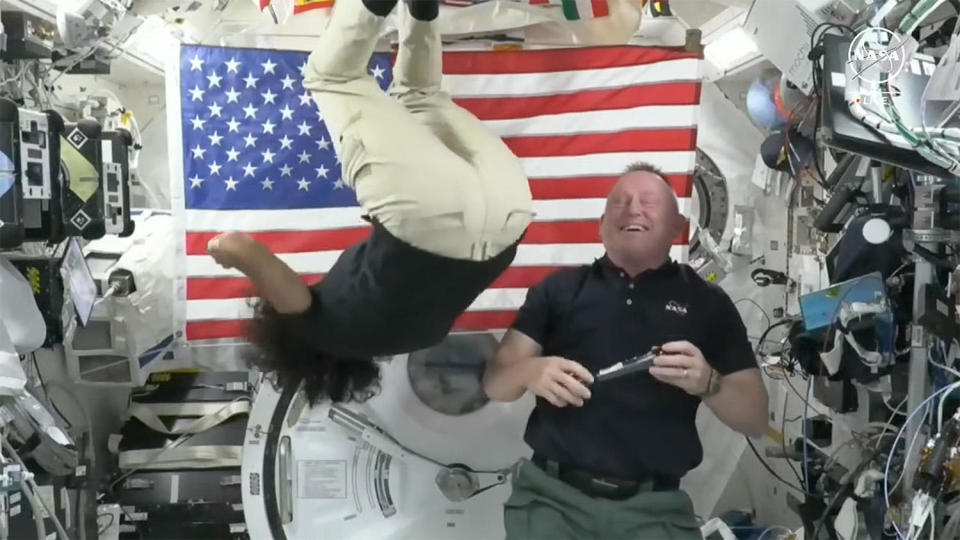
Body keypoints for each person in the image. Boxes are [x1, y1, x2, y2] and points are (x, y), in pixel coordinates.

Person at [206, 0, 533, 405]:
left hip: (509, 214)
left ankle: (420, 11)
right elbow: (243, 248)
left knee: (421, 96)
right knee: (331, 76)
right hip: (425, 216)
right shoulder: (311, 328)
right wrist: (220, 250)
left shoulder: (415, 338)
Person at [483, 163, 769, 540]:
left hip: (655, 514)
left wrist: (708, 382)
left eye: (648, 202)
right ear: (601, 226)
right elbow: (494, 384)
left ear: (677, 227)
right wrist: (528, 372)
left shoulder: (709, 305)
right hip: (550, 502)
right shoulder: (559, 290)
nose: (632, 209)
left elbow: (756, 419)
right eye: (619, 202)